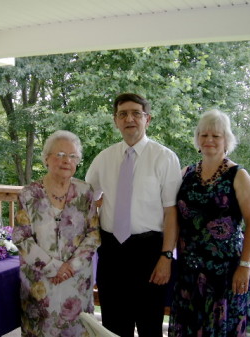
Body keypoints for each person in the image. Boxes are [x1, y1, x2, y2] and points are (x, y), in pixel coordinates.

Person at [86, 93, 182, 337]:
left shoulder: (165, 158)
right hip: (112, 252)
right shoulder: (103, 158)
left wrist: (166, 257)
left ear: (147, 119)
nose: (129, 118)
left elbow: (171, 213)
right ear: (115, 121)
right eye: (123, 114)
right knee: (113, 326)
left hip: (149, 253)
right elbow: (86, 199)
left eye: (136, 113)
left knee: (150, 326)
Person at [168, 109, 250, 337]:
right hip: (189, 273)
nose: (209, 140)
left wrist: (245, 266)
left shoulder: (238, 176)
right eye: (204, 135)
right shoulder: (185, 174)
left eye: (216, 136)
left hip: (225, 274)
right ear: (197, 139)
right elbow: (171, 214)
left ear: (226, 140)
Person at [12, 130, 100, 337]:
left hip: (76, 281)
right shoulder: (29, 194)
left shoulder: (85, 191)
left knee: (78, 330)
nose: (66, 161)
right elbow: (21, 238)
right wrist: (53, 267)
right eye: (60, 154)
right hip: (40, 284)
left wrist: (71, 266)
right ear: (46, 158)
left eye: (72, 156)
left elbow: (93, 234)